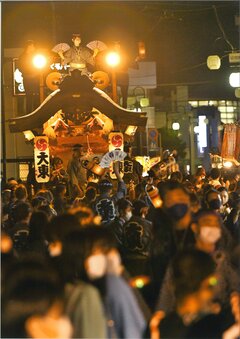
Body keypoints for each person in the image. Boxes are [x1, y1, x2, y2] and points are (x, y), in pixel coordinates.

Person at [18, 40, 40, 113]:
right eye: (32, 46)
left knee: (37, 95)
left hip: (35, 78)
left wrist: (36, 73)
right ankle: (29, 113)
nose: (34, 47)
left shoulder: (35, 56)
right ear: (29, 46)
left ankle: (37, 112)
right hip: (27, 78)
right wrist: (28, 73)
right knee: (29, 96)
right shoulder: (22, 57)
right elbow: (20, 67)